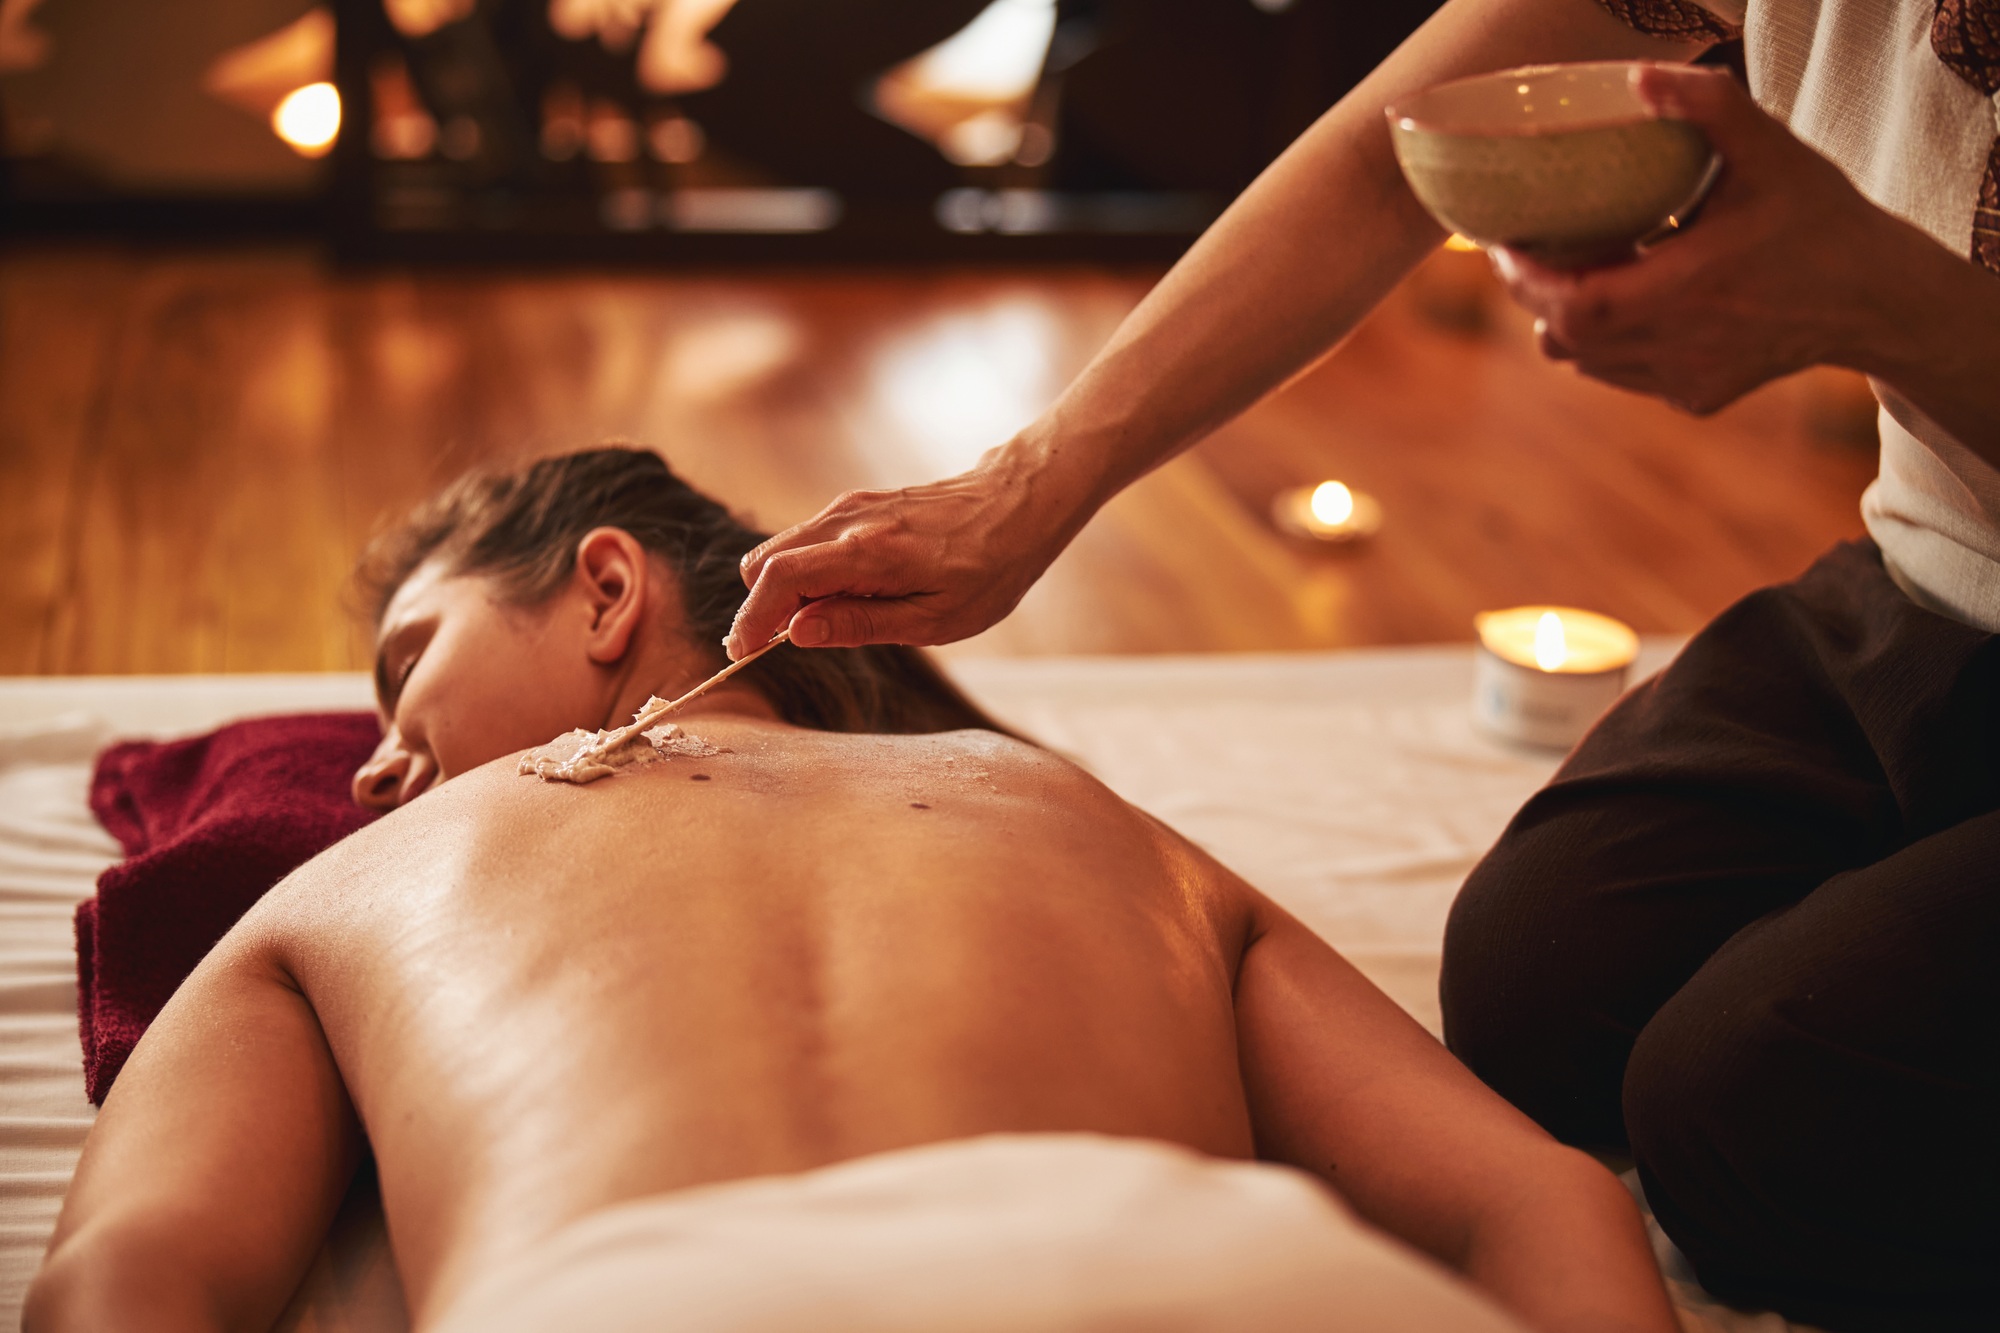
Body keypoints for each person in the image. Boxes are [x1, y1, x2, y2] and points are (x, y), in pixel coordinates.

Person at [716, 1, 2000, 1329]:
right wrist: (1029, 486)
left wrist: (1893, 304)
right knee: (1536, 988)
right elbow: (1386, 156)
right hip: (1931, 576)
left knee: (1752, 1120)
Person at [26, 448, 1677, 1333]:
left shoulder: (361, 885)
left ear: (608, 587)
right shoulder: (1082, 817)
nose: (375, 762)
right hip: (1221, 1282)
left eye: (406, 678)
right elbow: (1545, 1202)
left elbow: (134, 1276)